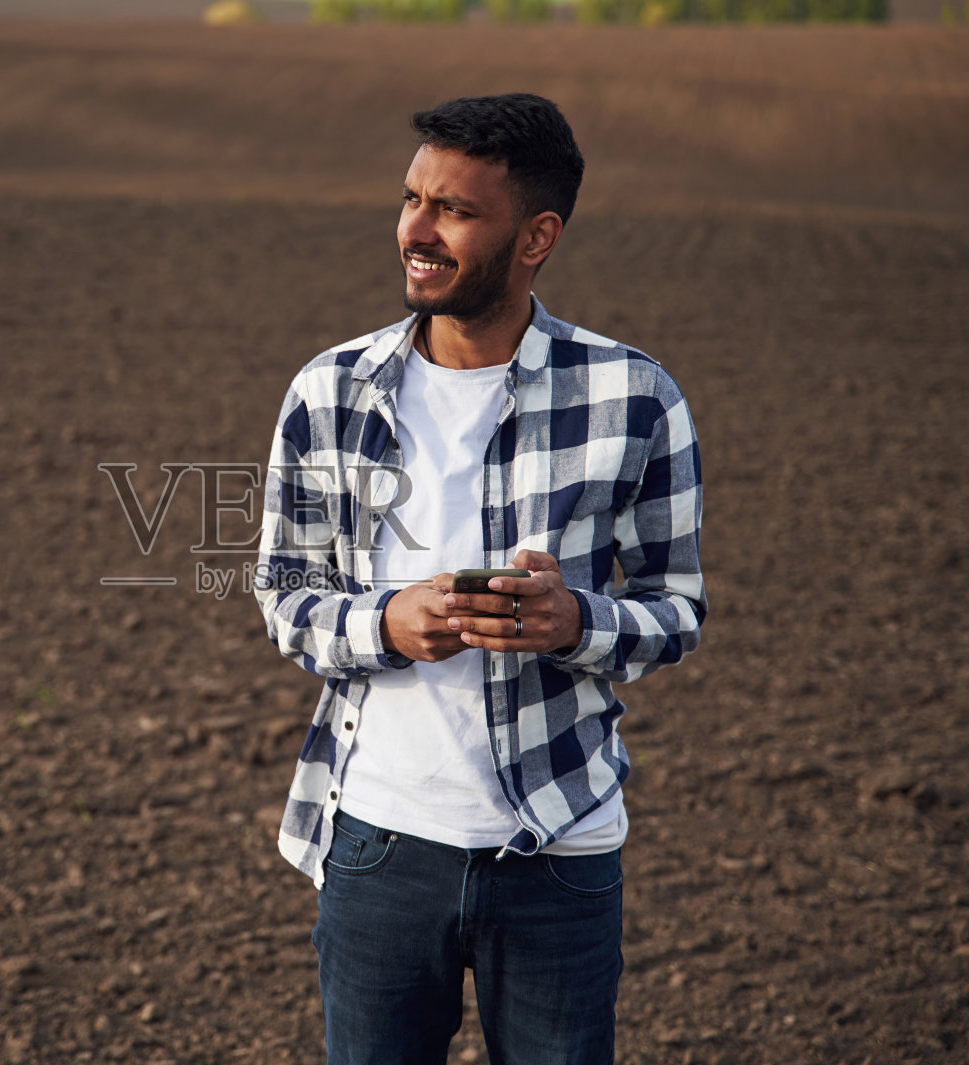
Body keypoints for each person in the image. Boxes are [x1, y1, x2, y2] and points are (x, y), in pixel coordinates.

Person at [251, 94, 707, 1065]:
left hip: (558, 843)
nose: (415, 229)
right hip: (375, 844)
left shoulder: (634, 398)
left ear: (535, 236)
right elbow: (282, 595)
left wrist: (572, 619)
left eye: (452, 210)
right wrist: (389, 624)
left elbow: (676, 611)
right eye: (412, 198)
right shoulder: (329, 392)